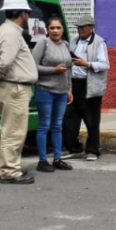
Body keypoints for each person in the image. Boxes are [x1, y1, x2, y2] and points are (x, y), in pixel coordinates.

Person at [0, 0, 39, 185]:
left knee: (10, 130)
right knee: (14, 132)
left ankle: (8, 167)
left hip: (11, 87)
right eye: (27, 12)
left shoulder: (6, 30)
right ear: (23, 13)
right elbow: (6, 61)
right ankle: (10, 171)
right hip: (14, 87)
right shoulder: (11, 32)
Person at [64, 15, 109, 161]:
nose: (80, 30)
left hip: (90, 86)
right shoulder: (73, 41)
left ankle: (92, 150)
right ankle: (73, 148)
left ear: (91, 28)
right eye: (78, 27)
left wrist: (87, 64)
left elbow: (105, 65)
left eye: (83, 27)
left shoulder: (99, 42)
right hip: (73, 84)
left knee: (91, 119)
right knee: (69, 117)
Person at [32, 17, 74, 173]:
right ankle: (42, 161)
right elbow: (33, 66)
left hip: (62, 92)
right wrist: (53, 70)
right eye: (52, 28)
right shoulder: (43, 44)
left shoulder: (66, 44)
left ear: (63, 29)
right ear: (47, 30)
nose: (55, 31)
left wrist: (69, 88)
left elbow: (69, 68)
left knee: (58, 126)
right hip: (45, 90)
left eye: (58, 28)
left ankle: (57, 159)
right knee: (44, 125)